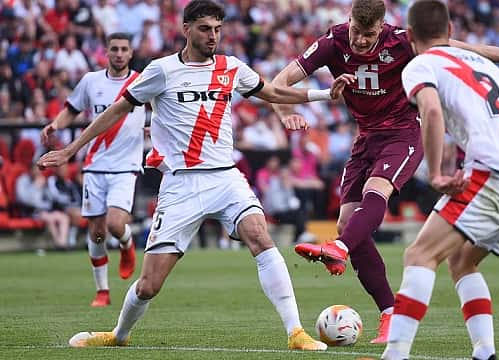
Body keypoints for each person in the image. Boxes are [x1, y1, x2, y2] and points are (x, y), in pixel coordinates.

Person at [38, 0, 353, 350]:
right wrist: (71, 149)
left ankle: (295, 333)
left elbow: (274, 91)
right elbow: (117, 110)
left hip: (225, 177)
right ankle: (119, 335)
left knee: (260, 236)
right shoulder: (160, 71)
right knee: (148, 286)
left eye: (218, 29)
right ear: (186, 29)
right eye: (205, 29)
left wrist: (326, 94)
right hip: (181, 185)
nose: (213, 36)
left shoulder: (231, 67)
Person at [272, 0, 499, 344]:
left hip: (403, 133)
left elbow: (468, 50)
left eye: (369, 34)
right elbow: (279, 81)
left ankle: (341, 249)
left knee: (376, 191)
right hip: (365, 138)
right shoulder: (333, 42)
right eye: (357, 32)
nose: (361, 41)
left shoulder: (403, 41)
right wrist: (284, 111)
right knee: (348, 222)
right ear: (348, 21)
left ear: (383, 26)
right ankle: (388, 311)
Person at [381, 1, 499, 359]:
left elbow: (432, 109)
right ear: (451, 32)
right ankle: (485, 352)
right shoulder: (483, 65)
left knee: (420, 254)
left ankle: (395, 354)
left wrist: (437, 173)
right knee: (461, 262)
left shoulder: (420, 64)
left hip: (494, 172)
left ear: (410, 36)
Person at [41, 32, 145, 307]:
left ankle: (126, 244)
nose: (119, 53)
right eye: (115, 49)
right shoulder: (91, 81)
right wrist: (56, 125)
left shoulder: (141, 81)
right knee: (97, 232)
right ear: (106, 52)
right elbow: (72, 108)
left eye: (124, 49)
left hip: (126, 166)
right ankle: (102, 291)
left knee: (115, 223)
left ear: (131, 53)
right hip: (95, 164)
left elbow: (161, 110)